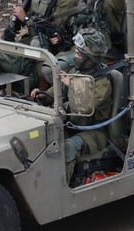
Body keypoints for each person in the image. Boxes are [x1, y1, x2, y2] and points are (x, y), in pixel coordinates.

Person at [32, 28, 115, 185]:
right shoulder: (76, 71)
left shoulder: (102, 83)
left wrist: (71, 83)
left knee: (69, 147)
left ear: (89, 58)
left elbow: (84, 106)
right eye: (76, 52)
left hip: (94, 133)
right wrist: (42, 96)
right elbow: (56, 93)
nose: (75, 56)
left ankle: (61, 189)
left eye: (79, 53)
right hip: (72, 126)